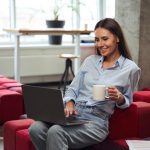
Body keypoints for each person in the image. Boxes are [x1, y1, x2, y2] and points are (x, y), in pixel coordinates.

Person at [29, 18, 141, 150]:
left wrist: (119, 97)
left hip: (96, 121)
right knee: (35, 128)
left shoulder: (131, 68)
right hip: (75, 114)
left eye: (105, 39)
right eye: (97, 39)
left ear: (117, 38)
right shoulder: (90, 61)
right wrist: (70, 104)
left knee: (56, 131)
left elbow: (127, 100)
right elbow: (72, 89)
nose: (100, 44)